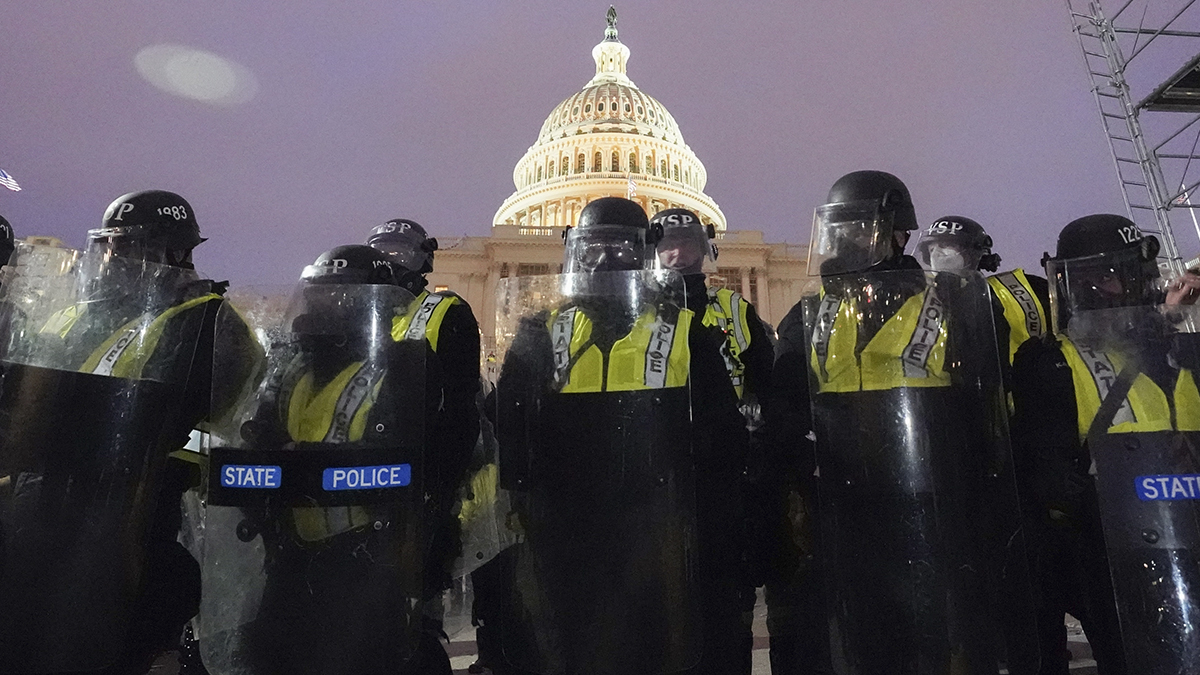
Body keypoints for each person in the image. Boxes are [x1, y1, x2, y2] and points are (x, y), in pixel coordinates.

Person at [475, 196, 749, 675]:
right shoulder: (540, 333)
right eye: (592, 247)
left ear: (643, 254)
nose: (604, 260)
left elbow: (721, 439)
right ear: (574, 253)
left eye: (621, 247)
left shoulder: (685, 332)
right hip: (564, 532)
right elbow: (508, 432)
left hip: (656, 532)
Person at [0, 189, 256, 675]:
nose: (110, 258)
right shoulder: (79, 313)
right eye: (108, 245)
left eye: (125, 245)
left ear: (173, 252)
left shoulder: (207, 320)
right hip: (38, 505)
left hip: (136, 515)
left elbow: (174, 420)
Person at [775, 170, 1010, 672]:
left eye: (864, 229)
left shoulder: (952, 300)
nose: (851, 241)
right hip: (844, 501)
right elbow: (785, 408)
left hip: (931, 498)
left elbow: (985, 401)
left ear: (900, 232)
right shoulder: (812, 309)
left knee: (937, 638)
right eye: (844, 231)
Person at [197, 244, 444, 675]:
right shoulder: (291, 366)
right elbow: (260, 435)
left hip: (367, 558)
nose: (317, 308)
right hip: (288, 553)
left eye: (333, 297)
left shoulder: (405, 365)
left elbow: (416, 458)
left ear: (360, 303)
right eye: (315, 295)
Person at [1011, 214, 1200, 675]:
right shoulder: (1052, 362)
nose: (1125, 286)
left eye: (1131, 272)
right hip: (1114, 559)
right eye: (1104, 276)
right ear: (1079, 285)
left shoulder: (1182, 352)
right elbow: (1048, 476)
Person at [651, 207, 786, 670]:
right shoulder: (636, 310)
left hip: (726, 470)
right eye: (667, 246)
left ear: (705, 252)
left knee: (725, 604)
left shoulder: (734, 309)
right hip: (657, 473)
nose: (676, 256)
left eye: (687, 246)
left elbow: (768, 386)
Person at [367, 218, 481, 622]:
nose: (388, 266)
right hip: (362, 478)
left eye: (398, 255)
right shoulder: (364, 318)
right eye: (380, 254)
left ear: (422, 263)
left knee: (413, 609)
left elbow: (460, 408)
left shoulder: (445, 311)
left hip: (420, 478)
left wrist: (439, 483)